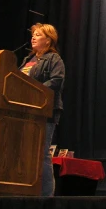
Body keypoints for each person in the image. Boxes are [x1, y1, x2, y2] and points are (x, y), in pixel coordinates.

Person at [19, 23, 66, 197]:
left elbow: (56, 81)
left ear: (48, 40)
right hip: (23, 110)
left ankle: (46, 196)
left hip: (44, 110)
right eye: (33, 34)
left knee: (41, 153)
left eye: (38, 35)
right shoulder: (27, 60)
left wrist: (34, 90)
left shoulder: (54, 59)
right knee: (24, 153)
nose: (33, 37)